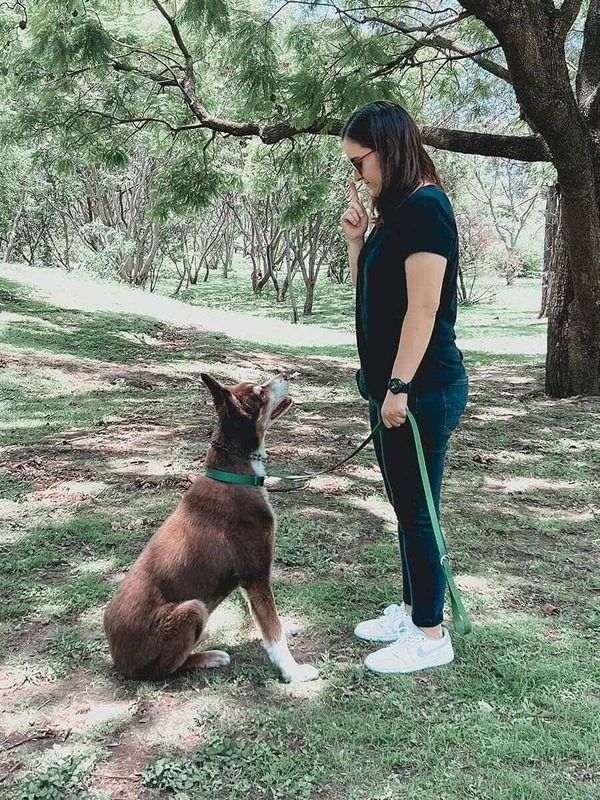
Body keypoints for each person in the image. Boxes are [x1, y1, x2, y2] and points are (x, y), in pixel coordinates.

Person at [340, 100, 468, 674]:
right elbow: (374, 296)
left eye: (360, 161)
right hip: (390, 389)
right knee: (406, 504)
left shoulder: (427, 210)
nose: (357, 175)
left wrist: (398, 387)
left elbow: (422, 310)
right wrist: (356, 241)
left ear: (388, 151)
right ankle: (416, 607)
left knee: (418, 510)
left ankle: (430, 634)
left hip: (421, 391)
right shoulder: (396, 216)